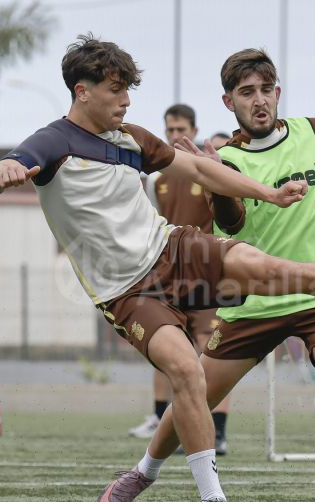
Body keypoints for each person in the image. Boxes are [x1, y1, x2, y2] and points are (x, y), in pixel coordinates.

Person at [0, 34, 315, 502]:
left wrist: (273, 192)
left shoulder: (139, 137)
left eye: (266, 89)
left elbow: (197, 166)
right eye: (116, 89)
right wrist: (2, 172)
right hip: (154, 293)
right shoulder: (55, 142)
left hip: (208, 261)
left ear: (278, 92)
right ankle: (164, 479)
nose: (125, 100)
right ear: (82, 91)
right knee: (188, 377)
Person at [95, 48, 315, 502]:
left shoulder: (311, 133)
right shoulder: (225, 160)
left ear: (277, 92)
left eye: (265, 90)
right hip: (253, 301)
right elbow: (233, 225)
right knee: (196, 392)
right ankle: (142, 472)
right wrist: (219, 185)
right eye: (246, 93)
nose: (258, 100)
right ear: (229, 101)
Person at [130, 105, 232, 456]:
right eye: (170, 129)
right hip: (165, 271)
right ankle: (160, 420)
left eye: (181, 129)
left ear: (194, 130)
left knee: (210, 346)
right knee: (164, 343)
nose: (174, 135)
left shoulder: (203, 169)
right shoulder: (155, 178)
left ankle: (218, 431)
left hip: (205, 270)